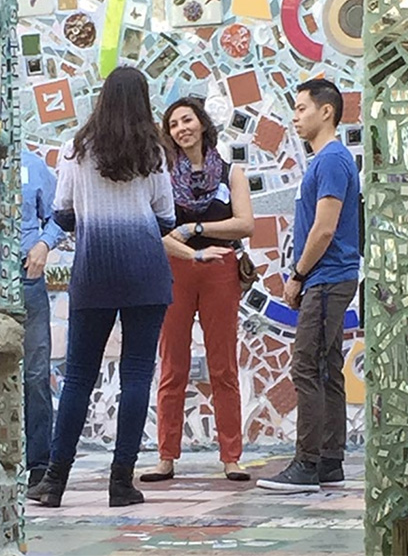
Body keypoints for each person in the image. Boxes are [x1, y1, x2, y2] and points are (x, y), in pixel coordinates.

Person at [27, 66, 175, 508]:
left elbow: (63, 213)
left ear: (103, 98)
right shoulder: (153, 150)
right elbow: (165, 216)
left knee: (76, 378)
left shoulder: (76, 149)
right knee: (135, 377)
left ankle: (54, 482)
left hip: (93, 273)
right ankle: (121, 482)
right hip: (146, 272)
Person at [139, 97, 254, 484]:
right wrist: (186, 244)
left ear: (202, 124)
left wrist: (197, 230)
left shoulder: (231, 172)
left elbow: (245, 224)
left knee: (223, 365)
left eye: (187, 120)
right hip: (174, 269)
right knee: (173, 364)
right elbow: (158, 225)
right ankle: (166, 456)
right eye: (173, 124)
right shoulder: (163, 175)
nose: (181, 128)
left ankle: (231, 457)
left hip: (221, 270)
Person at [255, 79, 360, 493]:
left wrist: (296, 275)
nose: (295, 117)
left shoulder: (332, 160)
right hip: (328, 276)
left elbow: (324, 229)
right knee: (327, 367)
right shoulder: (324, 161)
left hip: (327, 277)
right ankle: (329, 460)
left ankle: (307, 462)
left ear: (326, 112)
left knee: (305, 365)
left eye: (301, 109)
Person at [19, 149, 65, 488]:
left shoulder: (31, 163)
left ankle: (38, 464)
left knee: (35, 372)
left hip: (26, 279)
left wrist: (44, 245)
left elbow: (59, 216)